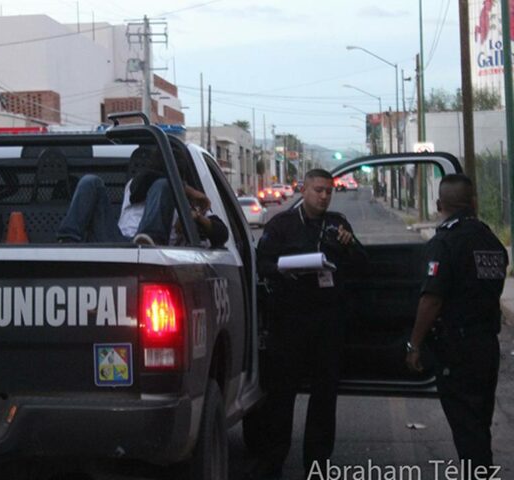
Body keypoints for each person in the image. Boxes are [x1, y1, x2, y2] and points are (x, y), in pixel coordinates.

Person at [250, 168, 367, 478]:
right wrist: (284, 269)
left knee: (324, 397)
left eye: (329, 191)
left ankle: (317, 463)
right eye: (318, 190)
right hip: (289, 321)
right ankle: (273, 458)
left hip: (327, 322)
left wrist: (348, 245)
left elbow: (361, 263)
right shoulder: (283, 224)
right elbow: (261, 264)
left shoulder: (337, 223)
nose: (324, 196)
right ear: (304, 190)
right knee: (281, 395)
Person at [405, 174, 507, 476]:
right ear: (473, 203)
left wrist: (415, 344)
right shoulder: (489, 239)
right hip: (487, 345)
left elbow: (431, 300)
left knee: (466, 426)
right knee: (479, 423)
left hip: (458, 350)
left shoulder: (445, 242)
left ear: (439, 205)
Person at [56, 146, 228, 247]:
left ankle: (149, 237)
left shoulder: (190, 204)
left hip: (151, 248)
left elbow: (222, 234)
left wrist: (195, 217)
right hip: (117, 242)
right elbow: (152, 181)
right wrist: (186, 189)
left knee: (163, 185)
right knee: (90, 181)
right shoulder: (138, 184)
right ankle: (68, 240)